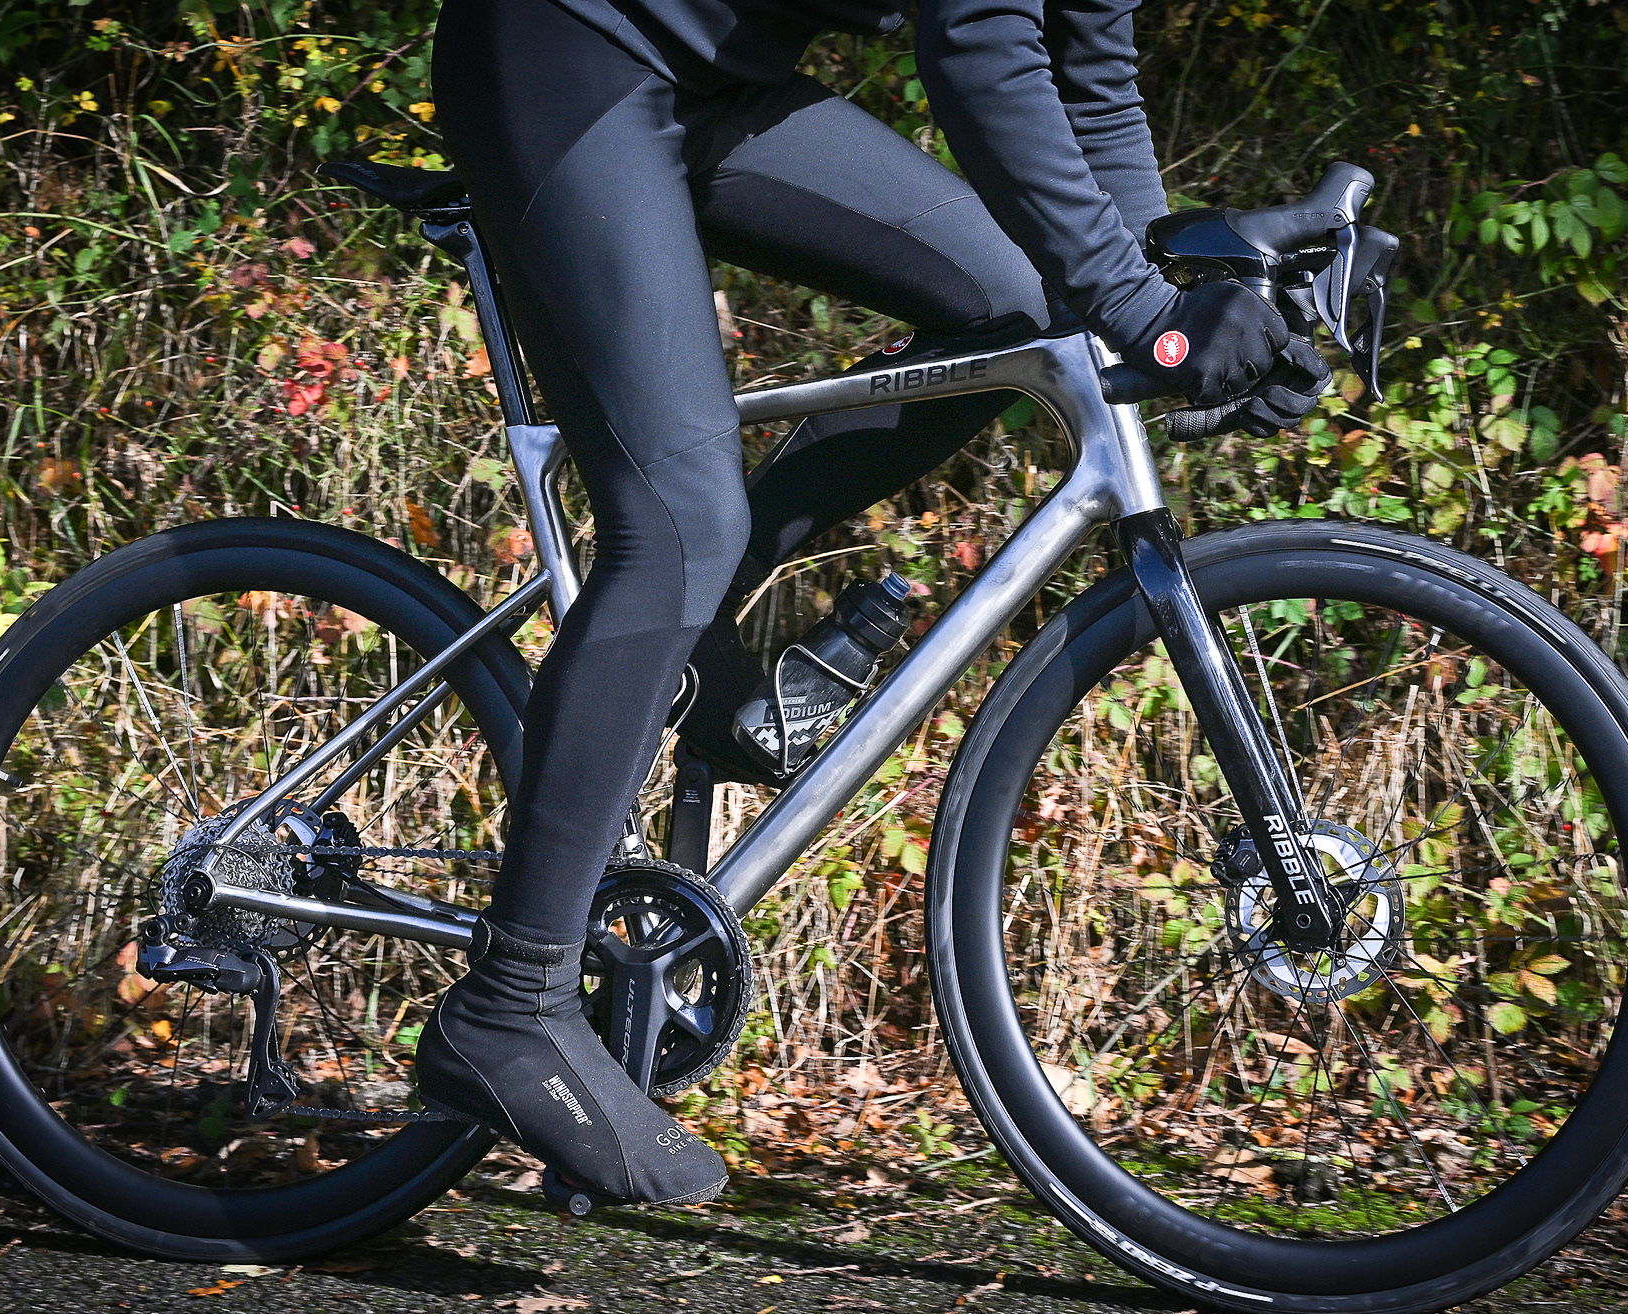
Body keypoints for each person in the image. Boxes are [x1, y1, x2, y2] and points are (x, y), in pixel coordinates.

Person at [412, 0, 1330, 1208]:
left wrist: (1175, 294)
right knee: (679, 519)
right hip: (566, 50)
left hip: (715, 83)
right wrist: (1148, 320)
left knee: (1020, 308)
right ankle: (511, 1006)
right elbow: (979, 45)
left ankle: (702, 628)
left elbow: (1087, 73)